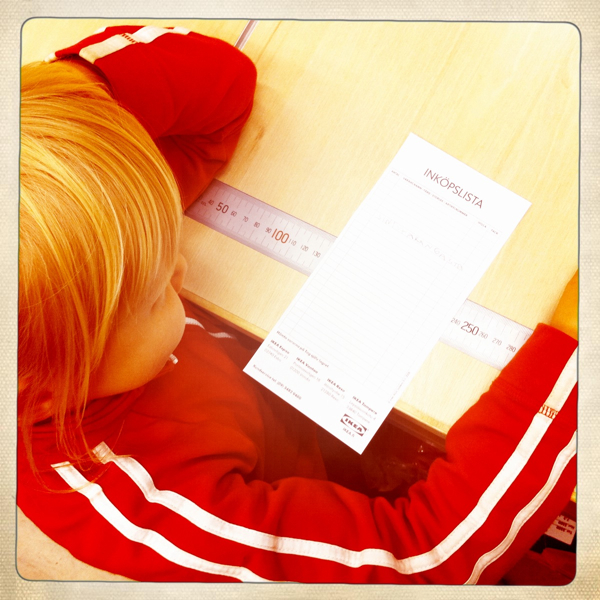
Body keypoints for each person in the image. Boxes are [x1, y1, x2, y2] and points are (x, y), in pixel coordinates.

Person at [18, 24, 578, 584]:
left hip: (285, 405)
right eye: (155, 292)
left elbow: (224, 87)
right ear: (46, 393)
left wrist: (69, 106)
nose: (181, 268)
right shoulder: (146, 510)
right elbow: (422, 561)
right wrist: (572, 358)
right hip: (337, 489)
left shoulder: (56, 299)